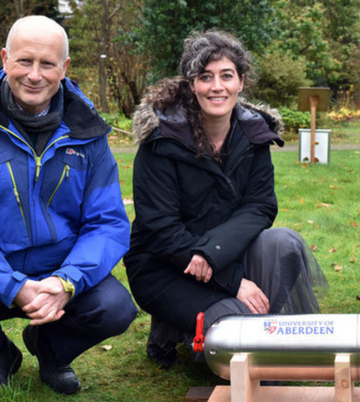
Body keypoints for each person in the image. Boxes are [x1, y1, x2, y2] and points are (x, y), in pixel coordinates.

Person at [0, 14, 137, 394]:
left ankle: (50, 350)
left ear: (64, 69)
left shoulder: (89, 131)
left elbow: (108, 223)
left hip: (59, 273)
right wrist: (12, 285)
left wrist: (67, 281)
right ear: (5, 60)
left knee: (117, 308)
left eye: (47, 64)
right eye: (24, 61)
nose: (34, 75)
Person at [125, 30, 326, 368]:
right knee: (235, 340)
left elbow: (261, 205)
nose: (216, 86)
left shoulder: (254, 135)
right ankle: (173, 327)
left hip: (223, 255)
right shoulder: (160, 140)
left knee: (285, 242)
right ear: (192, 85)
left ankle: (254, 329)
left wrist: (214, 253)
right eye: (205, 77)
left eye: (226, 75)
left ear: (241, 82)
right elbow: (159, 229)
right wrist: (233, 283)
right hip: (164, 266)